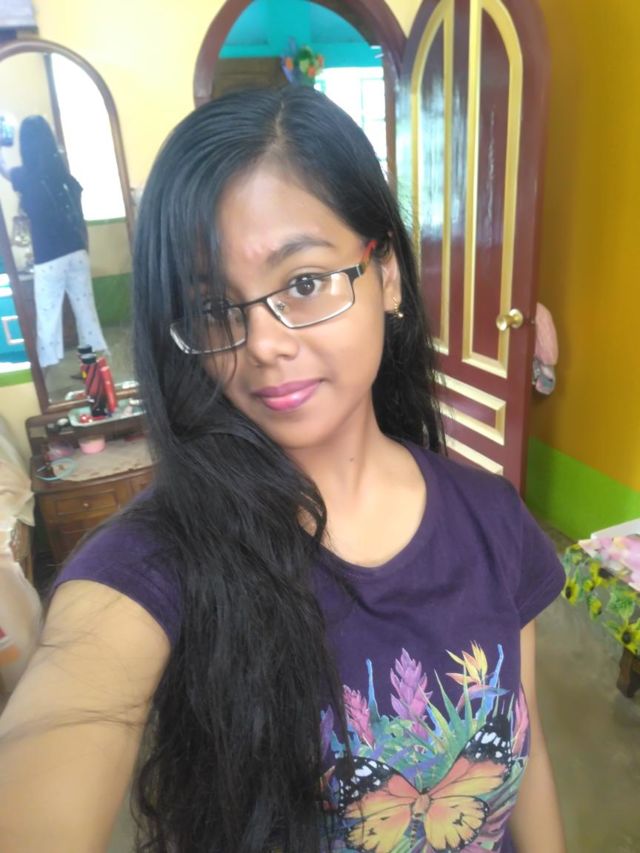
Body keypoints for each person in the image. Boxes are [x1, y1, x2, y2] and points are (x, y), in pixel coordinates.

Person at [0, 88, 566, 853]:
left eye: (303, 283)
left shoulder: (493, 520)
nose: (262, 343)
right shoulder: (157, 559)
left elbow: (527, 755)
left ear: (387, 274)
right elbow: (62, 721)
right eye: (213, 308)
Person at [0, 115, 108, 369]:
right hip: (77, 253)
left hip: (49, 259)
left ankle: (46, 372)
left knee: (48, 318)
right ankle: (93, 365)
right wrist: (84, 251)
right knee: (86, 312)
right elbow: (80, 220)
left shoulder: (25, 177)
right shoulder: (65, 178)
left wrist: (3, 142)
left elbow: (3, 168)